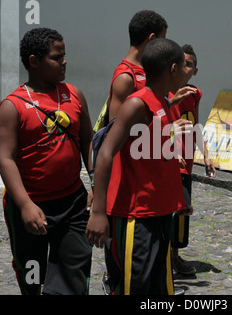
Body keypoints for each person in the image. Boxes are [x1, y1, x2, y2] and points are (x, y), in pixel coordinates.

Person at [85, 38, 193, 295]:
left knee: (160, 289)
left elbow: (159, 161)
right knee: (136, 288)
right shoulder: (137, 104)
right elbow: (105, 153)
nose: (189, 72)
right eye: (185, 66)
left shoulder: (162, 102)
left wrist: (178, 200)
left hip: (159, 213)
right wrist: (99, 211)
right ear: (173, 69)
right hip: (137, 217)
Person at [0, 28, 94, 295]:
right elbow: (5, 158)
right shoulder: (12, 106)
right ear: (34, 61)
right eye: (56, 57)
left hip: (73, 203)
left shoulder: (74, 95)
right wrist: (26, 204)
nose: (64, 62)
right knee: (33, 275)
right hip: (30, 205)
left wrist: (95, 182)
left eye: (64, 56)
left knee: (74, 270)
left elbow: (87, 141)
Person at [168, 44, 217, 277]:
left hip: (186, 163)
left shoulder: (194, 93)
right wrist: (174, 151)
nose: (185, 68)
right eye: (182, 63)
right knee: (171, 210)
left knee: (182, 213)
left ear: (195, 70)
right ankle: (164, 261)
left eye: (190, 64)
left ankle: (175, 258)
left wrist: (206, 155)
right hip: (167, 162)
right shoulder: (165, 94)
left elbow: (195, 124)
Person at [93, 10, 168, 132]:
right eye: (163, 40)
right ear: (152, 39)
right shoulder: (125, 78)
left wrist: (171, 102)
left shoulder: (148, 71)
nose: (165, 46)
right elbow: (116, 131)